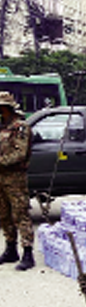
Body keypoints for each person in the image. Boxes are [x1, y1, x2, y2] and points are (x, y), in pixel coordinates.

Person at [0, 92, 35, 271]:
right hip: (0, 177)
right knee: (3, 214)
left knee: (20, 214)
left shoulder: (20, 127)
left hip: (15, 178)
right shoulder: (2, 127)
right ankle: (11, 248)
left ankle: (28, 252)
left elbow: (20, 154)